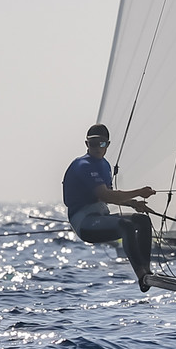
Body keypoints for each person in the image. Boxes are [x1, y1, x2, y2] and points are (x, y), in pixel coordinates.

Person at [62, 124, 157, 291]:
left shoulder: (105, 166)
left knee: (142, 221)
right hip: (84, 223)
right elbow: (106, 196)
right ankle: (141, 275)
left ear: (108, 145)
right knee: (126, 226)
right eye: (93, 144)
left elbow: (109, 195)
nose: (98, 148)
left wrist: (134, 204)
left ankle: (148, 270)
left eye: (102, 144)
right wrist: (139, 192)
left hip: (100, 216)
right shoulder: (83, 165)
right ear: (87, 144)